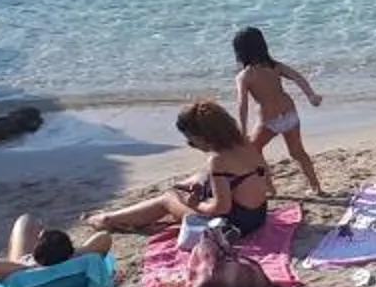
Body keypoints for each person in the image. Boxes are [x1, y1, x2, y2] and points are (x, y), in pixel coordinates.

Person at [84, 102, 275, 241]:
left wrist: (195, 204)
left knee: (168, 199)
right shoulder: (246, 143)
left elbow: (221, 208)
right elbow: (260, 176)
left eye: (191, 141)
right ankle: (124, 217)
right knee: (191, 183)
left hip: (233, 226)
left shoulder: (218, 160)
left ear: (204, 137)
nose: (190, 145)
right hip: (258, 215)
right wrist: (200, 183)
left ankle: (107, 219)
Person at [232, 26, 325, 197]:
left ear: (240, 52)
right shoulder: (276, 66)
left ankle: (270, 188)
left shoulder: (244, 76)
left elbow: (242, 104)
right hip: (289, 115)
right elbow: (298, 77)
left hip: (269, 121)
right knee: (297, 152)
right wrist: (311, 95)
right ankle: (316, 187)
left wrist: (243, 130)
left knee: (254, 150)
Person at [0, 213, 109, 282]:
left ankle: (34, 224)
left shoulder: (26, 270)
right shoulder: (79, 260)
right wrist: (72, 254)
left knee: (25, 221)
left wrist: (29, 266)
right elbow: (104, 237)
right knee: (34, 227)